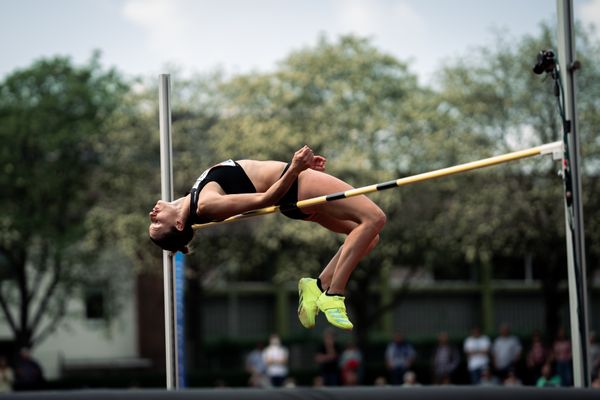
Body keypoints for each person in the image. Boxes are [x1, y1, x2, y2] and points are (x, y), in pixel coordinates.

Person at [148, 145, 386, 330]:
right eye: (156, 223)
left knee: (369, 236)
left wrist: (300, 167)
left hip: (294, 194)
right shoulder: (205, 205)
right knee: (375, 218)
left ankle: (318, 285)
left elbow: (252, 176)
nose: (152, 214)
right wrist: (295, 168)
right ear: (179, 224)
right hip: (295, 186)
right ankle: (334, 294)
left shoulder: (191, 199)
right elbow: (265, 199)